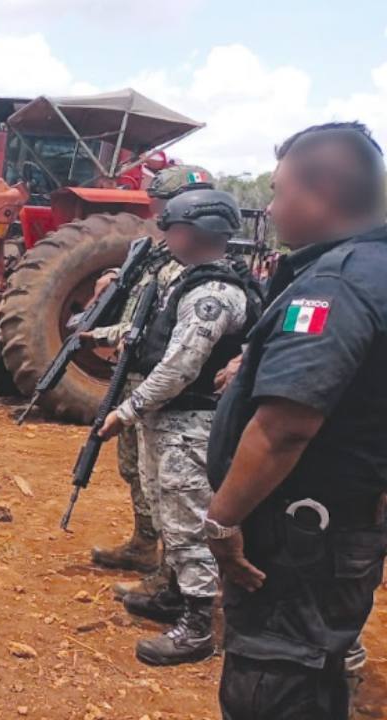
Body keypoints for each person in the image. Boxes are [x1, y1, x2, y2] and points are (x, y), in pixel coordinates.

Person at [206, 122, 387, 719]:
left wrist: (223, 521)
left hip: (301, 540)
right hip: (341, 526)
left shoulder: (334, 285)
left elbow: (287, 426)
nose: (274, 208)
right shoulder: (372, 269)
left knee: (274, 683)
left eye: (280, 192)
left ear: (322, 194)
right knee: (315, 673)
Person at [95, 188, 259, 666]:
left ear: (199, 232)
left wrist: (127, 410)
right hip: (169, 420)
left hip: (191, 424)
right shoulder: (188, 281)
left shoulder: (212, 294)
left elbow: (180, 367)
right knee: (168, 511)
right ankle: (172, 593)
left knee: (189, 520)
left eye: (175, 227)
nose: (166, 235)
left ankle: (197, 624)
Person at [87, 166, 215, 585]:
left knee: (169, 480)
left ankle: (170, 568)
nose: (158, 215)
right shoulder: (158, 254)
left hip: (166, 386)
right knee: (135, 468)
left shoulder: (198, 268)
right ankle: (146, 543)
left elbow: (168, 332)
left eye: (165, 208)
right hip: (134, 370)